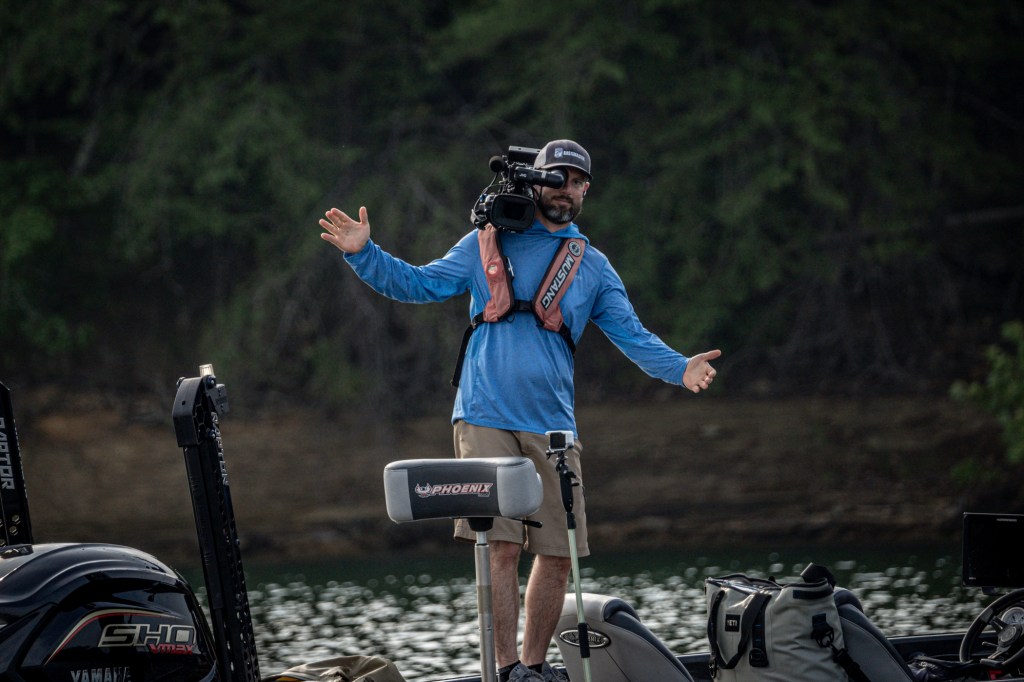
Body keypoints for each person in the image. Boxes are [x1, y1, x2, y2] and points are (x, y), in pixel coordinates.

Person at [319, 139, 720, 682]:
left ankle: (532, 667)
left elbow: (632, 334)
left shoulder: (593, 265)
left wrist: (680, 367)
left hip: (553, 427)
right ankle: (506, 669)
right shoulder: (485, 242)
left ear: (585, 191)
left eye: (576, 182)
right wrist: (363, 252)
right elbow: (417, 283)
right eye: (556, 179)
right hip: (484, 414)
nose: (565, 190)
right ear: (536, 183)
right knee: (501, 547)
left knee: (557, 554)